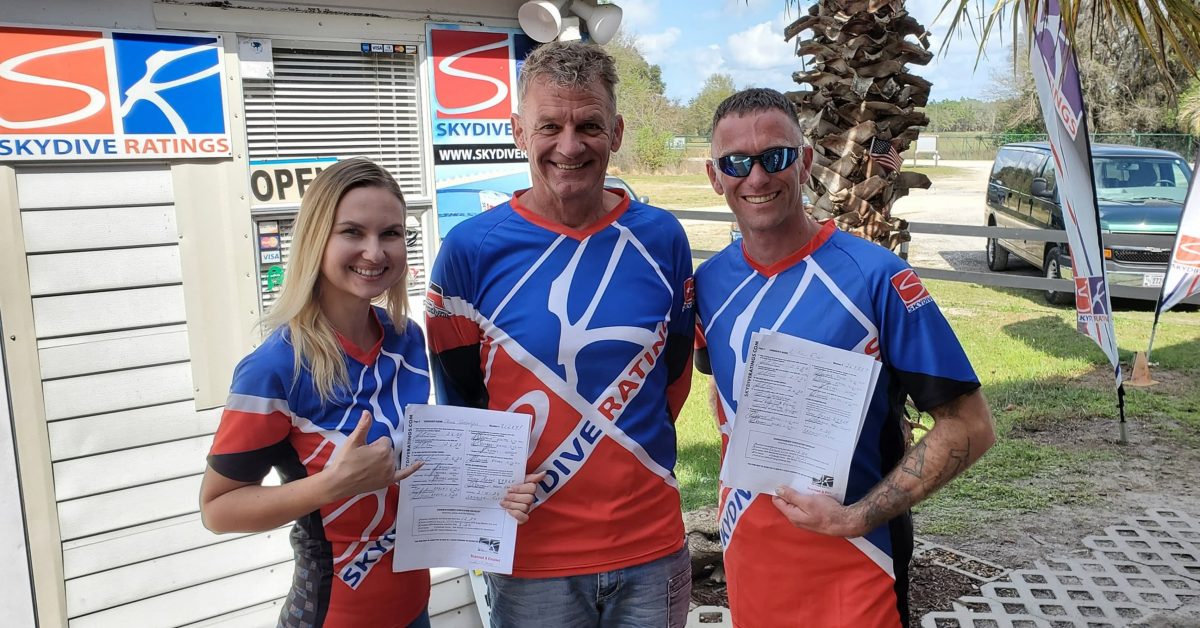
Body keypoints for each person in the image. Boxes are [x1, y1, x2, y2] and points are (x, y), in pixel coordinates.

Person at [694, 88, 996, 628]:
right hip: (749, 559)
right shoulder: (709, 284)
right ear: (716, 176)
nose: (757, 178)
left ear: (806, 162)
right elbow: (723, 394)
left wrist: (856, 517)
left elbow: (970, 427)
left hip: (858, 565)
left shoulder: (877, 277)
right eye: (736, 162)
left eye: (776, 157)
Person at [200, 158, 539, 628]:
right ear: (317, 239)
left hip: (413, 608)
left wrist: (492, 493)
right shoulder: (274, 368)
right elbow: (218, 509)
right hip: (334, 614)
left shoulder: (406, 337)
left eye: (392, 234)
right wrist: (330, 486)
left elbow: (417, 469)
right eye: (353, 232)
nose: (375, 252)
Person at [425, 41, 695, 628]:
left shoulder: (662, 238)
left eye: (588, 125)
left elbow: (672, 382)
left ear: (617, 131)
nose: (568, 147)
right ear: (519, 129)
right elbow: (461, 404)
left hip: (649, 545)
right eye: (550, 125)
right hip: (530, 556)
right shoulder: (469, 251)